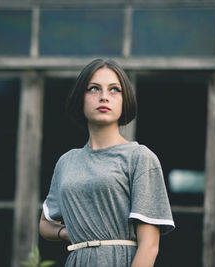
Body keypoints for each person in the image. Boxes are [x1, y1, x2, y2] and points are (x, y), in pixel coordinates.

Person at [39, 58, 175, 267]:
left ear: (125, 99)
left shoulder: (140, 157)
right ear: (80, 98)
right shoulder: (66, 162)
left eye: (114, 90)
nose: (104, 97)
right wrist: (68, 233)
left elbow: (149, 245)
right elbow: (45, 224)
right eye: (93, 89)